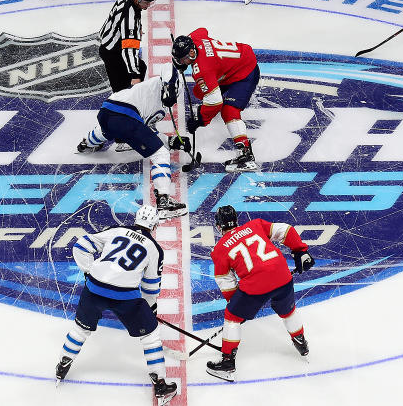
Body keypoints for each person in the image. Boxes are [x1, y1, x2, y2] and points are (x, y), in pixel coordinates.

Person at [55, 204, 179, 405]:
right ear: (155, 224)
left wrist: (89, 272)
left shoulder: (117, 230)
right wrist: (149, 309)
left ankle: (62, 364)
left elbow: (80, 246)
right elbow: (150, 286)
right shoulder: (154, 249)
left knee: (80, 330)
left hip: (94, 288)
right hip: (125, 296)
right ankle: (161, 385)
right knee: (151, 336)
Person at [205, 205, 315, 381]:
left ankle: (227, 362)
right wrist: (300, 250)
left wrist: (236, 306)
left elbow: (225, 280)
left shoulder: (219, 249)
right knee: (288, 312)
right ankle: (301, 342)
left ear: (219, 225)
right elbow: (285, 230)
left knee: (232, 317)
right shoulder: (255, 225)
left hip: (255, 286)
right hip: (283, 276)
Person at [76, 69, 190, 219]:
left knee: (110, 130)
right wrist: (168, 142)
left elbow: (145, 132)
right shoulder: (162, 92)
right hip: (125, 118)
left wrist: (171, 141)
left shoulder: (148, 87)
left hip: (106, 111)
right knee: (160, 154)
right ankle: (163, 203)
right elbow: (170, 75)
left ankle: (86, 143)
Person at [171, 28, 260, 172]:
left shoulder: (203, 70)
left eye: (184, 59)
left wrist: (201, 119)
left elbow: (215, 102)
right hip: (235, 63)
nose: (183, 62)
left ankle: (246, 155)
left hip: (245, 72)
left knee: (228, 111)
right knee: (199, 91)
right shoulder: (194, 38)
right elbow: (202, 30)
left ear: (191, 53)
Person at [99, 0, 156, 93]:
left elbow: (120, 18)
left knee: (142, 67)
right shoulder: (130, 21)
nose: (148, 5)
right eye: (145, 2)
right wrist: (135, 75)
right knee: (121, 91)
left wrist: (137, 27)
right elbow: (129, 51)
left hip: (108, 41)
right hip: (112, 53)